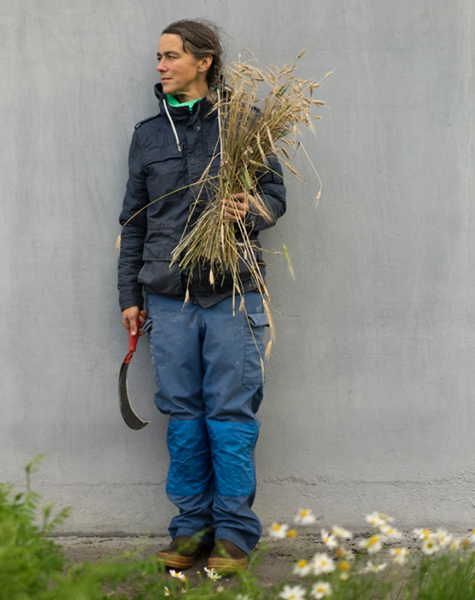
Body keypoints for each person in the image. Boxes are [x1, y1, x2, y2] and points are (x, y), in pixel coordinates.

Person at [117, 19, 286, 575]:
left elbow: (275, 195)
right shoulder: (147, 135)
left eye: (170, 56)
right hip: (166, 298)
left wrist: (250, 209)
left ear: (204, 61)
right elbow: (133, 223)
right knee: (183, 415)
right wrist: (130, 295)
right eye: (159, 58)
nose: (160, 66)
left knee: (231, 414)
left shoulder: (244, 125)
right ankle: (191, 528)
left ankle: (235, 534)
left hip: (232, 294)